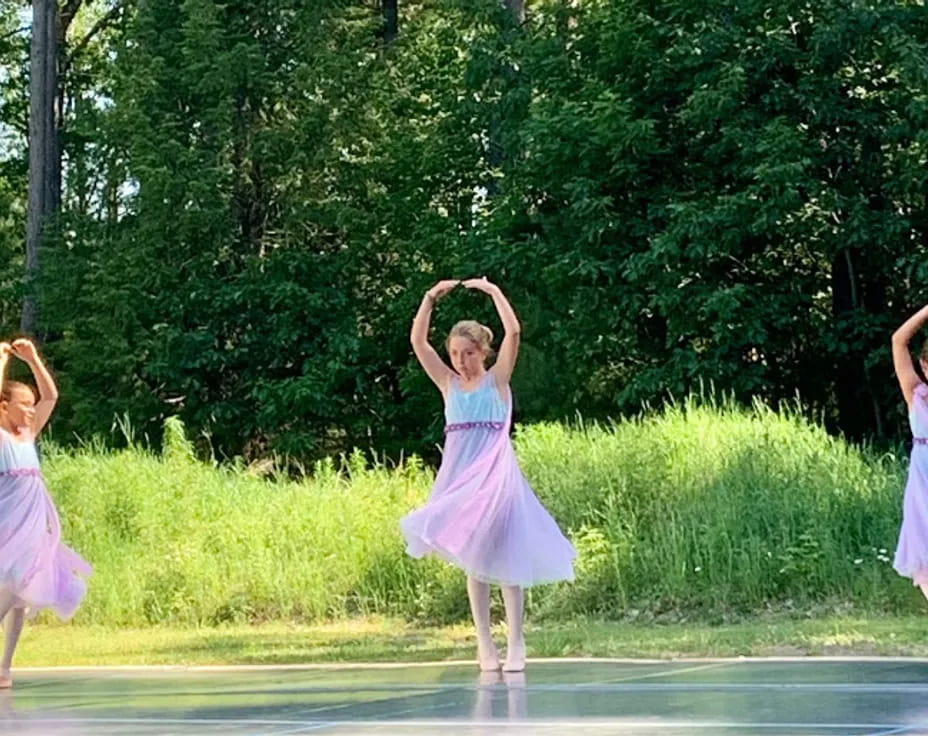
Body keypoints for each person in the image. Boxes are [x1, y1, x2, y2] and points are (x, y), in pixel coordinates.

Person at [401, 278, 576, 672]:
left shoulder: (497, 381)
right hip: (462, 482)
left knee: (506, 558)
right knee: (475, 560)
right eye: (455, 353)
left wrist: (492, 292)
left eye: (467, 353)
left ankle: (516, 641)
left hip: (497, 479)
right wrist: (429, 297)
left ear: (482, 351)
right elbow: (418, 343)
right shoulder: (449, 384)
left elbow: (514, 331)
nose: (460, 360)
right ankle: (485, 644)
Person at [0, 339, 92, 688]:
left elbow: (50, 396)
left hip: (33, 529)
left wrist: (33, 359)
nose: (30, 410)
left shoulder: (27, 434)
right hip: (6, 526)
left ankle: (4, 668)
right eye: (23, 405)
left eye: (30, 405)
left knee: (22, 598)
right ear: (3, 406)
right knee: (10, 588)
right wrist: (2, 363)